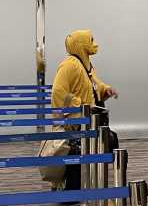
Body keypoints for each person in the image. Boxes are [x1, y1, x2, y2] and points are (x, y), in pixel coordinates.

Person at [50, 29, 118, 192]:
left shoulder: (86, 65)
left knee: (105, 144)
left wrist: (106, 89)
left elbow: (94, 84)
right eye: (91, 40)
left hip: (90, 119)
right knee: (78, 153)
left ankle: (89, 185)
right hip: (77, 122)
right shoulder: (69, 65)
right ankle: (70, 189)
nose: (94, 44)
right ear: (81, 45)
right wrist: (79, 105)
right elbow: (58, 92)